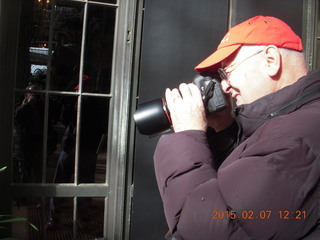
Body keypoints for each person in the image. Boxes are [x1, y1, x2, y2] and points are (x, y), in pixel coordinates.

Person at [154, 15, 320, 240]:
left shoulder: (296, 136)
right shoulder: (288, 119)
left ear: (271, 60)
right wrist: (224, 128)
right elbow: (240, 185)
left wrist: (187, 134)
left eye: (227, 71)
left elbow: (206, 230)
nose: (224, 85)